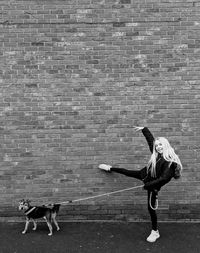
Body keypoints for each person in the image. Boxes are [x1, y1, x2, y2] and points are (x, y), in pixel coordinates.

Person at [99, 126, 182, 243]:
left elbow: (163, 179)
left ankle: (155, 232)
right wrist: (145, 129)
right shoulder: (157, 155)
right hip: (144, 175)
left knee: (151, 208)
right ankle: (109, 168)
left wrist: (148, 186)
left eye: (160, 145)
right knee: (126, 172)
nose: (158, 147)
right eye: (157, 145)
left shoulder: (170, 163)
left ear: (166, 145)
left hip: (153, 187)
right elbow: (150, 141)